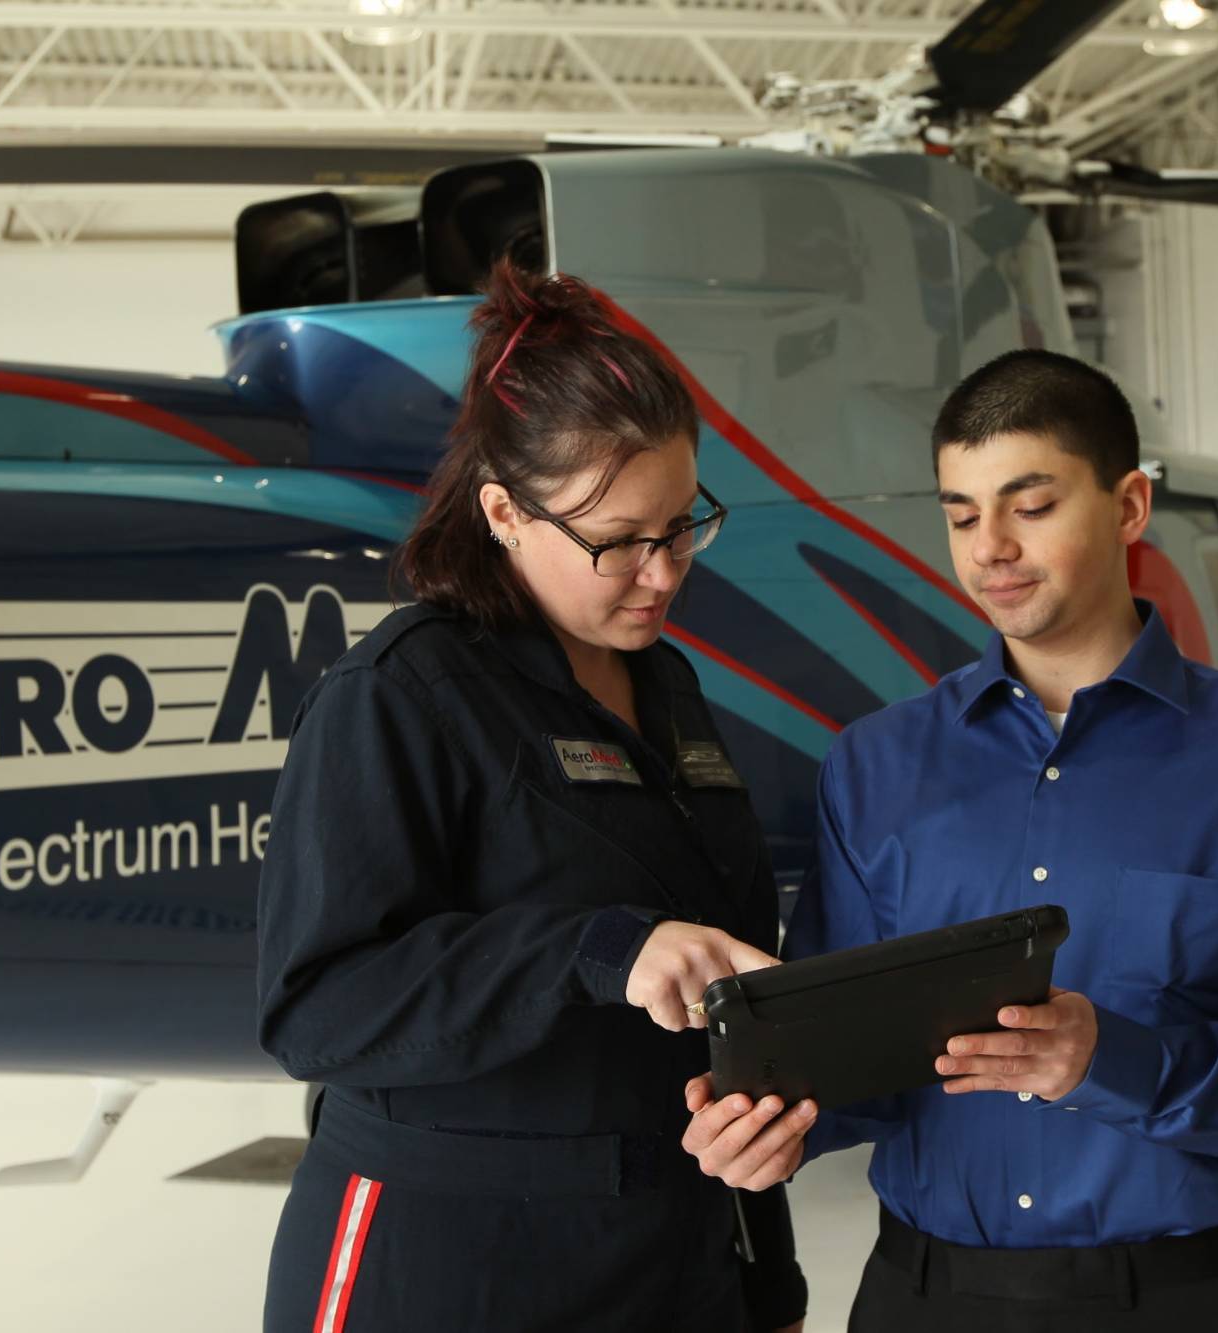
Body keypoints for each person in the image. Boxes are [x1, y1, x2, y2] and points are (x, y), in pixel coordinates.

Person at [681, 349, 1218, 1331]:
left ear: (1129, 506)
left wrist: (1113, 1061)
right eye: (961, 514)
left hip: (1183, 1301)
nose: (990, 548)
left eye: (1030, 506)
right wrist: (773, 1124)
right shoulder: (874, 766)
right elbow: (848, 1058)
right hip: (925, 1299)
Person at [257, 259, 806, 1333]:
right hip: (446, 1266)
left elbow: (724, 1006)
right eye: (619, 541)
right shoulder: (402, 695)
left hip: (668, 1262)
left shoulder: (667, 686)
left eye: (681, 524)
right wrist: (594, 949)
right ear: (504, 511)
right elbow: (315, 1009)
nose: (663, 572)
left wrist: (766, 1274)